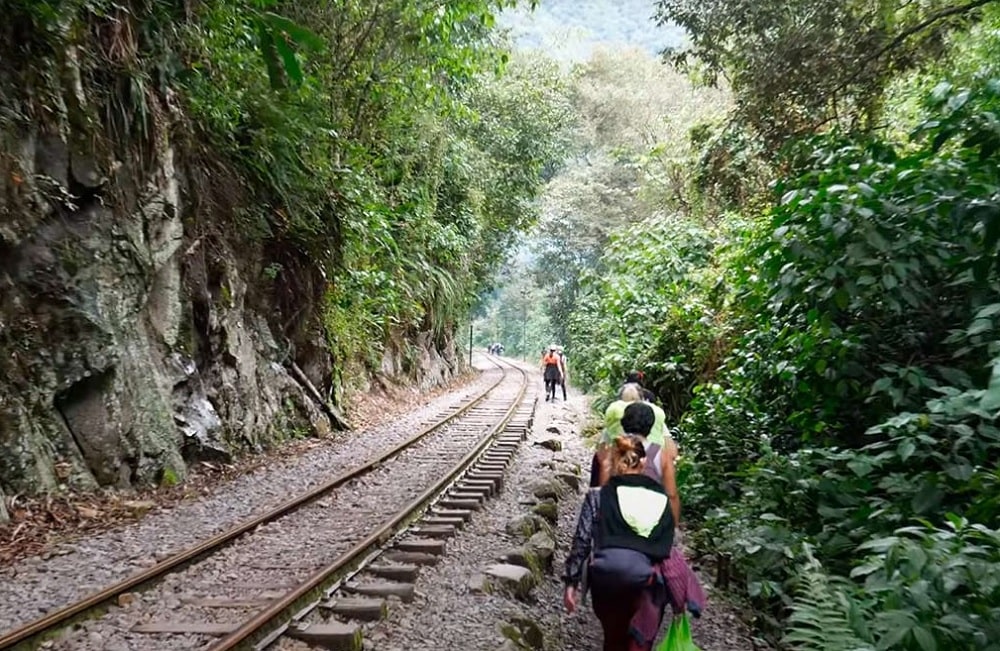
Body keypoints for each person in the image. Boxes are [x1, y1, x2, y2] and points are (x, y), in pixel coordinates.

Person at [562, 434, 676, 651]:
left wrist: (571, 583)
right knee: (640, 641)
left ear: (614, 463)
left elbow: (582, 540)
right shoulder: (660, 497)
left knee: (613, 639)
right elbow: (667, 545)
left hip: (606, 577)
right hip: (646, 581)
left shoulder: (598, 496)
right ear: (643, 463)